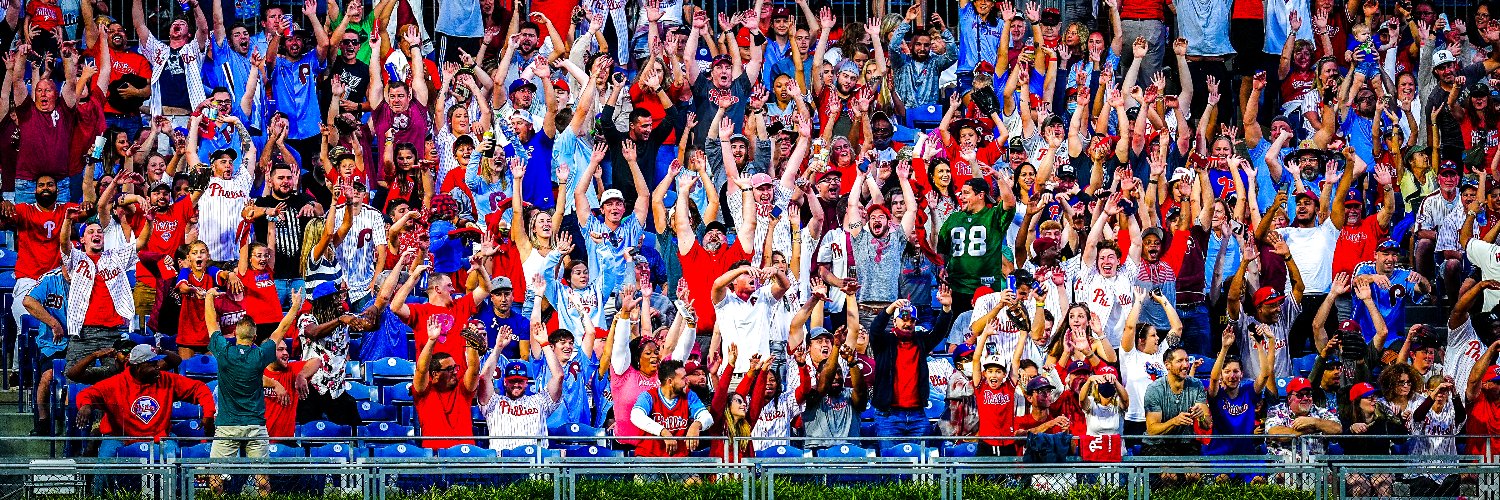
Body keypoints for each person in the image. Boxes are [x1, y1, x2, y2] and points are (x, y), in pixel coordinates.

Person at [202, 288, 302, 493]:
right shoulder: (259, 355)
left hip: (227, 425)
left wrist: (209, 298)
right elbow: (281, 330)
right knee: (262, 479)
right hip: (255, 425)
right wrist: (294, 307)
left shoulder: (223, 351)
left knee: (214, 477)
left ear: (235, 334)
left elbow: (211, 324)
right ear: (255, 336)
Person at [75, 344, 216, 459]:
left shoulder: (165, 379)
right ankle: (99, 495)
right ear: (138, 366)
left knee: (172, 457)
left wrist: (208, 414)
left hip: (160, 437)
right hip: (121, 436)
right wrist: (86, 405)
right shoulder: (116, 383)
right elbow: (88, 393)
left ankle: (171, 494)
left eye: (157, 363)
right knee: (104, 464)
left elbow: (199, 388)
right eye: (152, 364)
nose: (158, 368)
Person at [478, 323, 563, 451]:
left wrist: (545, 344)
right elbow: (484, 377)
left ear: (526, 382)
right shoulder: (494, 402)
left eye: (520, 381)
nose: (516, 384)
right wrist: (498, 348)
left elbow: (558, 376)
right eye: (512, 381)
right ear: (505, 382)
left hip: (536, 467)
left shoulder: (539, 401)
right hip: (504, 468)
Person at [410, 315, 483, 448]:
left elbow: (474, 369)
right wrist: (432, 340)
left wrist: (471, 344)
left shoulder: (462, 390)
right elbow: (421, 370)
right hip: (435, 459)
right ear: (435, 374)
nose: (455, 371)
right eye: (449, 369)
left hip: (465, 457)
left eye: (455, 367)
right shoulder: (424, 393)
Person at [631, 359, 713, 458]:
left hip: (679, 459)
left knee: (694, 474)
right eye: (683, 378)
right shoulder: (648, 396)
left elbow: (707, 417)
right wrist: (663, 432)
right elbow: (636, 416)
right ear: (670, 381)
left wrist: (697, 425)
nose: (687, 381)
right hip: (648, 457)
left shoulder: (689, 395)